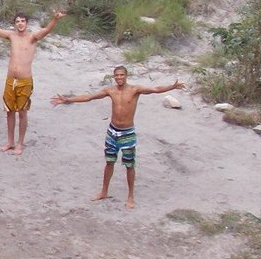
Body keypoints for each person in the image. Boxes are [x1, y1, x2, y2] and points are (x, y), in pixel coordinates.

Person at [52, 67, 185, 208]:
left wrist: (172, 86)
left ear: (126, 76)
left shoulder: (135, 90)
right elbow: (89, 97)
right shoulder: (110, 91)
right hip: (112, 132)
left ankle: (130, 196)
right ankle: (104, 191)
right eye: (117, 75)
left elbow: (155, 89)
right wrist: (68, 100)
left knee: (129, 165)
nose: (119, 77)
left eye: (122, 75)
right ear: (114, 77)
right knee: (109, 162)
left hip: (127, 133)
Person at [0, 5, 66, 154]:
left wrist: (55, 19)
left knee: (22, 112)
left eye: (23, 21)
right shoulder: (11, 36)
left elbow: (46, 30)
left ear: (27, 23)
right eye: (17, 21)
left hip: (25, 81)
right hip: (10, 80)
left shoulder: (32, 37)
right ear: (14, 24)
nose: (20, 23)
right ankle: (10, 142)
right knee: (9, 111)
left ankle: (20, 143)